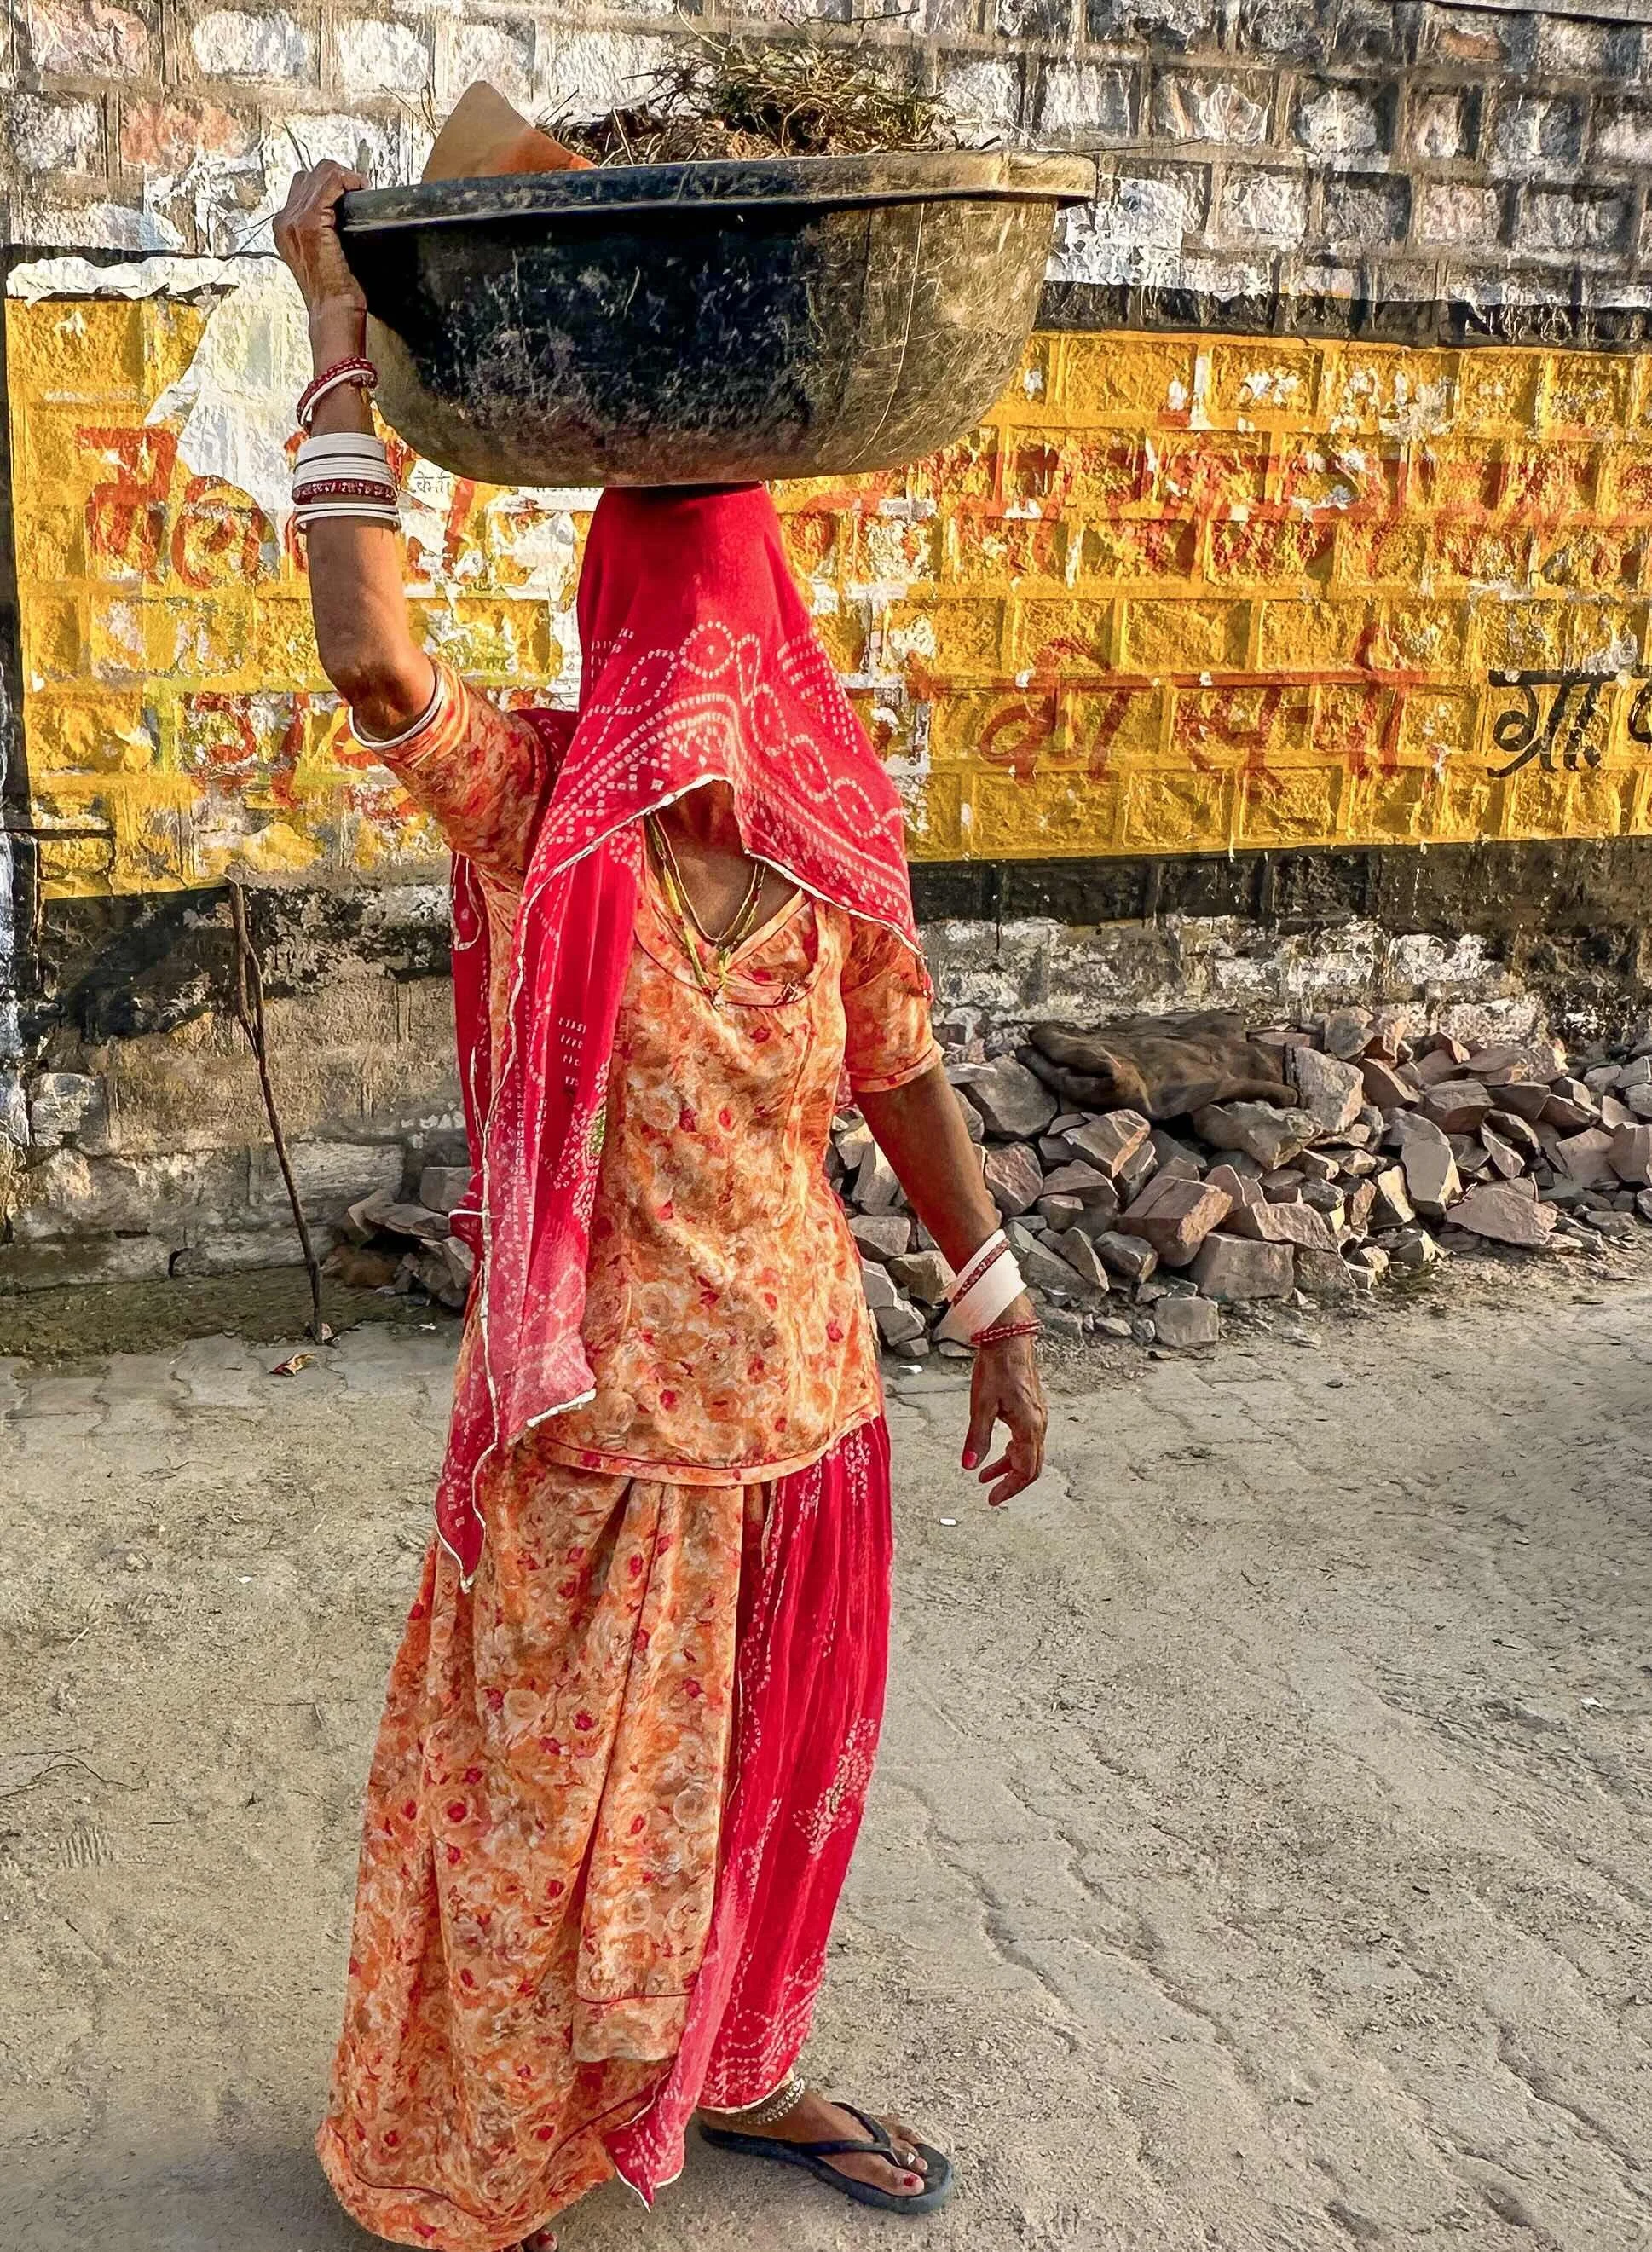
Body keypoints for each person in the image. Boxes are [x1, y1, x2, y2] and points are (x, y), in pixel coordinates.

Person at [274, 161, 1047, 2252]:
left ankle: (732, 2066)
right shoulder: (560, 811)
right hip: (601, 1439)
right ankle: (512, 2138)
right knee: (551, 1808)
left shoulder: (804, 835)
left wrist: (991, 1297)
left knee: (733, 1791)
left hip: (793, 1427)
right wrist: (333, 331)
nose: (700, 679)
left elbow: (897, 1067)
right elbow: (365, 654)